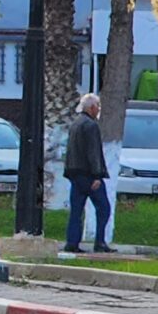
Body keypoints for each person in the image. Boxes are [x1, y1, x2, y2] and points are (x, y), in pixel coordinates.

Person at [61, 92, 115, 254]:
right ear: (91, 107)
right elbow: (93, 152)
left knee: (76, 211)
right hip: (89, 175)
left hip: (75, 174)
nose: (98, 109)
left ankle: (72, 243)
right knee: (103, 208)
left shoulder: (76, 124)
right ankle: (100, 242)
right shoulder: (91, 126)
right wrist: (97, 175)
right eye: (97, 106)